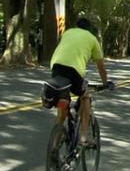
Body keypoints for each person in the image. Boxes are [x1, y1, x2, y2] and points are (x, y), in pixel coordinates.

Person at [49, 16, 114, 146]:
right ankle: (83, 136)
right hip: (74, 71)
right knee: (86, 97)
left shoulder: (67, 33)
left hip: (56, 68)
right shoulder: (92, 39)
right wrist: (105, 82)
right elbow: (101, 67)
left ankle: (55, 143)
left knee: (63, 100)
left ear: (77, 26)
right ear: (89, 29)